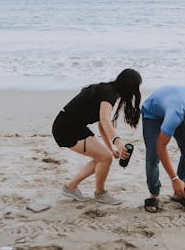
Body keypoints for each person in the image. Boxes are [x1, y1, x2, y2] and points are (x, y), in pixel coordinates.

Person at [52, 69, 142, 205]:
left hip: (74, 126)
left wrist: (110, 148)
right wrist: (117, 142)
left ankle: (70, 187)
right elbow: (105, 120)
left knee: (103, 157)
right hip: (66, 128)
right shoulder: (109, 94)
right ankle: (100, 193)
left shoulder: (107, 90)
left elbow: (102, 124)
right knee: (104, 158)